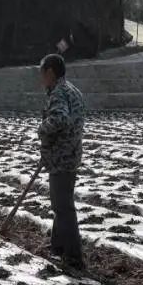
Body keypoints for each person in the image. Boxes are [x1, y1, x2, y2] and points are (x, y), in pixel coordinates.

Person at [38, 53, 86, 269]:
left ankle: (74, 256)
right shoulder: (72, 90)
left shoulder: (58, 93)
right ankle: (57, 247)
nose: (42, 79)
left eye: (43, 74)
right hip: (71, 154)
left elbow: (60, 118)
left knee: (63, 207)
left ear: (50, 72)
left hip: (62, 157)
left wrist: (42, 129)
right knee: (61, 204)